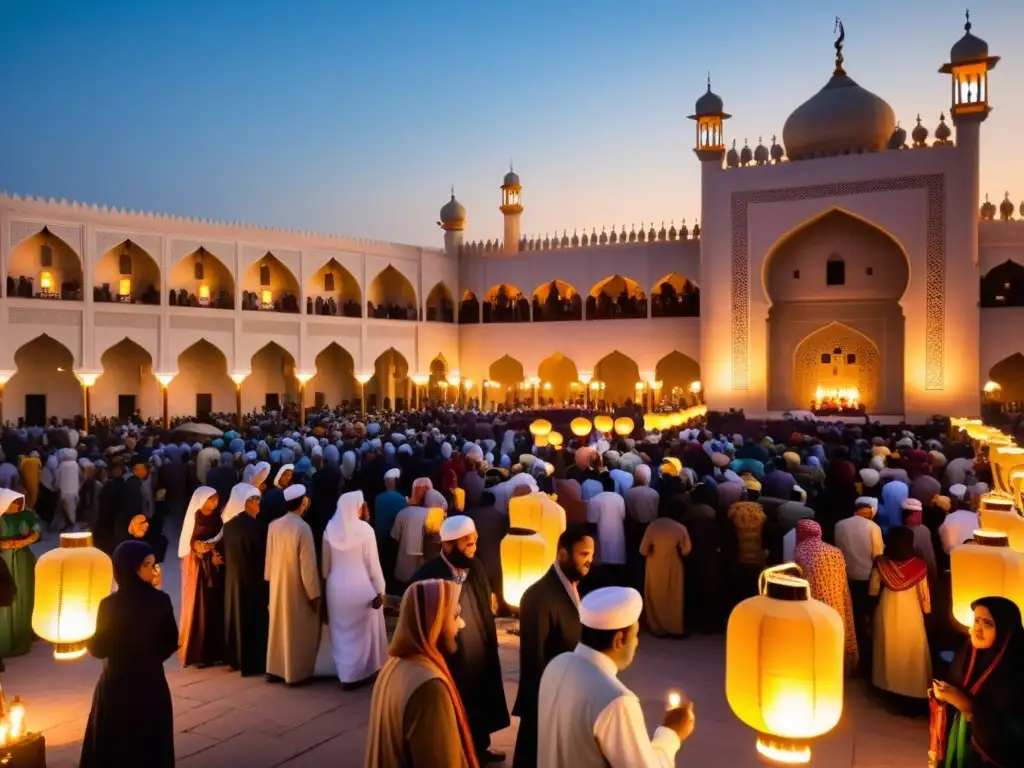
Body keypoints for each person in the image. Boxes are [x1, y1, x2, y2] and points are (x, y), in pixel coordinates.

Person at [538, 586, 695, 767]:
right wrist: (671, 733)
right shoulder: (616, 701)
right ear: (619, 640)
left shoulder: (556, 665)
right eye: (635, 635)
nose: (636, 643)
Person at [411, 515, 509, 763]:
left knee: (481, 698)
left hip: (478, 644)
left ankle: (480, 746)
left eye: (475, 542)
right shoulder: (428, 575)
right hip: (451, 654)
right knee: (456, 705)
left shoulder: (474, 565)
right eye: (468, 544)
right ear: (448, 545)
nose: (474, 549)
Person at [79, 540, 179, 768]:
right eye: (148, 565)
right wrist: (149, 656)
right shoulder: (160, 600)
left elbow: (99, 648)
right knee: (150, 742)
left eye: (155, 565)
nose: (154, 571)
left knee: (115, 742)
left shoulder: (109, 605)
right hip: (150, 681)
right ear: (131, 567)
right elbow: (171, 641)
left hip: (117, 682)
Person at [364, 579, 479, 768]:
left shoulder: (394, 665)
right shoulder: (429, 688)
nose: (461, 624)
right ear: (435, 621)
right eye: (455, 615)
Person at [512, 525, 594, 768]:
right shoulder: (540, 595)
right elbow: (533, 658)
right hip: (546, 697)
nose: (589, 561)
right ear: (562, 554)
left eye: (591, 555)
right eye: (583, 555)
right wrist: (546, 702)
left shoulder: (574, 584)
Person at [931, 596, 1024, 767]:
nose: (977, 631)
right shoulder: (967, 653)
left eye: (987, 624)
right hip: (960, 740)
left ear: (1005, 629)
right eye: (976, 621)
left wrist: (970, 709)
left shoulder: (1016, 670)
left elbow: (1014, 732)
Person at [323, 490, 388, 688]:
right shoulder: (365, 531)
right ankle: (363, 671)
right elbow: (373, 565)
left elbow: (325, 568)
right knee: (364, 633)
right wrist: (380, 589)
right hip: (361, 586)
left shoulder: (329, 529)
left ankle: (346, 674)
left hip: (336, 589)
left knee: (341, 633)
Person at [265, 484, 321, 685]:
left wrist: (272, 581)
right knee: (296, 630)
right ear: (303, 502)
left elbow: (269, 562)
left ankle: (274, 669)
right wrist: (313, 594)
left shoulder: (274, 525)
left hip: (278, 585)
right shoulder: (302, 528)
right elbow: (308, 566)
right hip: (297, 588)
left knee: (279, 628)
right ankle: (295, 673)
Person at [869, 525, 932, 706]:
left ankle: (886, 685)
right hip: (911, 610)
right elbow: (924, 597)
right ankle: (912, 689)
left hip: (887, 607)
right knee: (911, 649)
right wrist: (927, 613)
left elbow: (873, 590)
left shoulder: (881, 562)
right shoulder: (919, 565)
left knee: (888, 647)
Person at [792, 519, 858, 674]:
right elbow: (842, 581)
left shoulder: (800, 551)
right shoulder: (835, 551)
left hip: (813, 604)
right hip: (837, 601)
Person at [222, 483, 269, 676]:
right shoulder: (256, 527)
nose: (259, 504)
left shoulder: (229, 526)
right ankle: (253, 661)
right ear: (246, 502)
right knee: (252, 618)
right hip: (252, 579)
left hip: (234, 578)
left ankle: (236, 658)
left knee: (236, 615)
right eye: (255, 500)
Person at [835, 496, 883, 675]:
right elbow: (878, 556)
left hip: (845, 577)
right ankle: (863, 662)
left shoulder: (840, 525)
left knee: (849, 618)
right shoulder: (873, 527)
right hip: (866, 579)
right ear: (870, 510)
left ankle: (848, 656)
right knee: (864, 621)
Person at [177, 485, 225, 667]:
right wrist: (197, 547)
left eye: (216, 498)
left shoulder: (217, 517)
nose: (214, 502)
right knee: (201, 608)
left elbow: (221, 537)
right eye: (211, 499)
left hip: (214, 566)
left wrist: (216, 550)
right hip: (199, 570)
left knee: (215, 607)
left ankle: (217, 650)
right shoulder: (195, 517)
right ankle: (200, 653)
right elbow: (189, 541)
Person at [639, 505, 692, 638]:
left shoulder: (653, 526)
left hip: (654, 564)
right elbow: (686, 550)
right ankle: (674, 628)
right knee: (674, 597)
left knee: (655, 595)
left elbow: (643, 550)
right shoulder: (680, 527)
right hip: (674, 565)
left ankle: (656, 627)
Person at [0, 488, 39, 659]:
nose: (17, 505)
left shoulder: (27, 516)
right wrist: (8, 544)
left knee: (24, 594)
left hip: (24, 559)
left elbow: (36, 532)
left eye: (18, 502)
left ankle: (23, 635)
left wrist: (24, 541)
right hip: (4, 560)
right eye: (13, 502)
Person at [588, 491, 626, 566]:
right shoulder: (619, 498)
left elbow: (591, 520)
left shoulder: (595, 499)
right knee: (617, 557)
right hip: (617, 532)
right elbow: (623, 516)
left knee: (603, 559)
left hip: (602, 532)